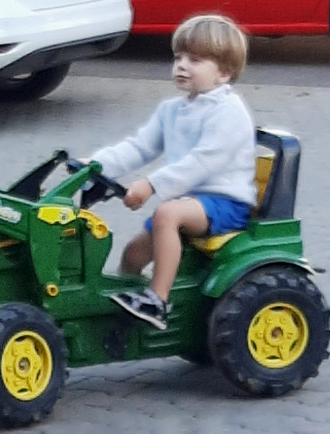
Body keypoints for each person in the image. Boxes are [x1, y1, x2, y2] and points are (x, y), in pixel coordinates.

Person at [89, 15, 257, 330]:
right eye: (178, 57)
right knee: (134, 253)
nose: (181, 66)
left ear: (223, 72)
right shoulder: (172, 110)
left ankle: (157, 301)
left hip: (224, 202)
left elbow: (204, 161)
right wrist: (96, 164)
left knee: (167, 214)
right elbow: (139, 147)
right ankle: (127, 306)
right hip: (188, 202)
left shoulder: (229, 111)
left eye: (195, 60)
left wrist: (151, 184)